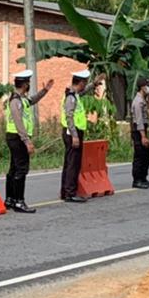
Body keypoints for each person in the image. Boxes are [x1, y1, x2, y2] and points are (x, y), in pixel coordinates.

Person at [4, 69, 53, 213]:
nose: (29, 85)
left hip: (15, 137)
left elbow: (32, 100)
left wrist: (45, 91)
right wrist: (27, 141)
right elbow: (18, 121)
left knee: (14, 168)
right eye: (28, 83)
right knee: (21, 169)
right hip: (17, 138)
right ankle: (19, 201)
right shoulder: (15, 101)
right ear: (25, 85)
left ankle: (10, 199)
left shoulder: (21, 99)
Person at [60, 69, 91, 203]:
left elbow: (84, 92)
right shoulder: (71, 97)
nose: (85, 85)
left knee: (70, 162)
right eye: (85, 83)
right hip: (73, 132)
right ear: (81, 82)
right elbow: (69, 117)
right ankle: (70, 192)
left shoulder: (75, 94)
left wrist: (94, 84)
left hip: (73, 132)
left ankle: (66, 191)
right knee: (73, 163)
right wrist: (75, 135)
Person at [130, 76, 149, 189]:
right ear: (142, 87)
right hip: (138, 131)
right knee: (139, 156)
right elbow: (139, 121)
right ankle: (137, 180)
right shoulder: (138, 102)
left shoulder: (143, 100)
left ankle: (144, 178)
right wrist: (143, 136)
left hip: (143, 129)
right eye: (147, 86)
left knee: (146, 156)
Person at [83, 75, 117, 140]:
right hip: (95, 136)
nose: (98, 87)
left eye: (100, 84)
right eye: (96, 85)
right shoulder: (92, 102)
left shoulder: (107, 102)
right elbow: (92, 122)